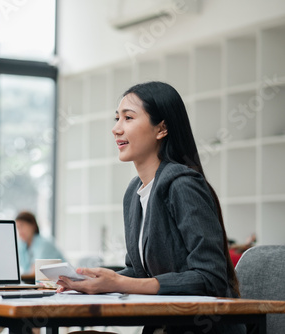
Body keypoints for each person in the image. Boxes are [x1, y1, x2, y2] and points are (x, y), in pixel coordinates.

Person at [57, 82, 245, 334]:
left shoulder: (183, 186)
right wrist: (91, 281)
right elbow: (138, 271)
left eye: (128, 118)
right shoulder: (134, 192)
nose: (116, 129)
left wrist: (121, 283)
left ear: (161, 128)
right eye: (117, 118)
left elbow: (210, 278)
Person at [15, 211, 65, 275]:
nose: (20, 231)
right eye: (18, 228)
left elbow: (36, 270)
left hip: (62, 280)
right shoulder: (23, 246)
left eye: (22, 226)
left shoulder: (44, 244)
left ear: (33, 225)